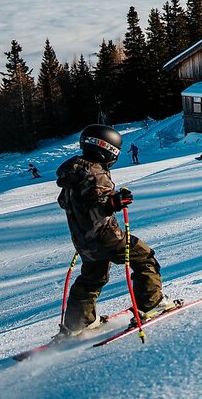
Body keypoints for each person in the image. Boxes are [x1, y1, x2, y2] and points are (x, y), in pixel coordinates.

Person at [55, 124, 172, 338]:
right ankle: (151, 304)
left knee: (92, 277)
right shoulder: (95, 172)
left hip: (84, 241)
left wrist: (109, 202)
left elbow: (67, 203)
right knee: (145, 258)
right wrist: (114, 202)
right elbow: (97, 204)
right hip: (106, 237)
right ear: (106, 150)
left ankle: (79, 323)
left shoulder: (73, 175)